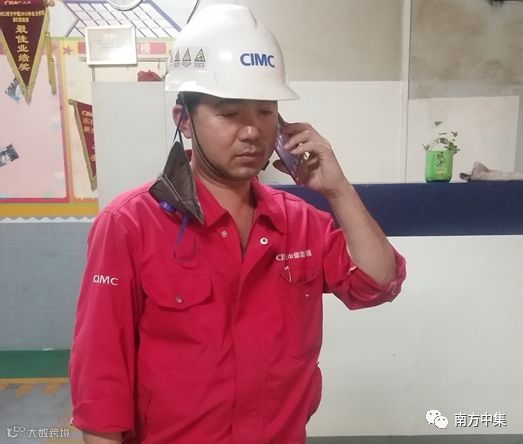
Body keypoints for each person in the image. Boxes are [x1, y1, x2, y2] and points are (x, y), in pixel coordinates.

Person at [69, 4, 406, 444]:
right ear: (184, 120)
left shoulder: (298, 222)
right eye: (229, 113)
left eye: (265, 112)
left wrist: (338, 189)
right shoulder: (129, 225)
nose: (251, 131)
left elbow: (377, 284)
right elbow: (100, 384)